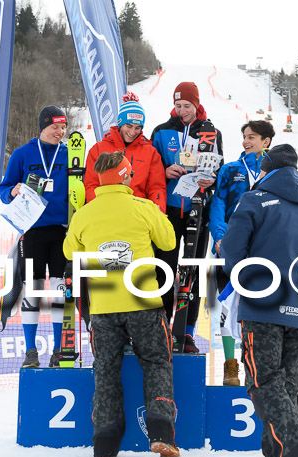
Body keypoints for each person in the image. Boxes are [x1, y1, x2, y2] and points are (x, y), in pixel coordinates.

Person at [221, 144, 298, 457]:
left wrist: (245, 281)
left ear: (266, 169)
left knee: (263, 383)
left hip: (261, 305)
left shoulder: (255, 200)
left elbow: (232, 248)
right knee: (284, 388)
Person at [63, 151, 178, 457]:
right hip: (144, 303)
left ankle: (105, 443)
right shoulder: (143, 207)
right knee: (156, 363)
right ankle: (161, 432)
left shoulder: (85, 213)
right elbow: (168, 242)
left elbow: (70, 250)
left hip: (102, 307)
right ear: (127, 176)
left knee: (106, 371)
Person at [150, 81, 223, 352]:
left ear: (197, 104)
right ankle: (161, 327)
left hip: (197, 210)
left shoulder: (211, 132)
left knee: (192, 271)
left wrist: (209, 181)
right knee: (164, 269)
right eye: (178, 105)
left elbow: (219, 170)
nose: (182, 111)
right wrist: (165, 171)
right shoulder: (162, 131)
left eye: (187, 106)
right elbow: (150, 166)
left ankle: (188, 332)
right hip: (168, 210)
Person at [0, 105, 69, 369]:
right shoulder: (23, 154)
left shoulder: (70, 153)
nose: (59, 132)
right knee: (33, 290)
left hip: (62, 233)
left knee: (60, 292)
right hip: (33, 232)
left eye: (63, 127)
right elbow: (3, 189)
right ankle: (31, 352)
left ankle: (59, 350)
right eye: (54, 127)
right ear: (43, 127)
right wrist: (13, 190)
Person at [209, 120, 275, 385]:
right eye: (245, 136)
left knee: (254, 308)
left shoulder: (277, 172)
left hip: (261, 251)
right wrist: (221, 237)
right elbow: (218, 204)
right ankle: (230, 366)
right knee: (226, 306)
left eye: (253, 137)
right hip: (231, 250)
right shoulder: (230, 169)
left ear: (266, 141)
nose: (246, 141)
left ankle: (251, 361)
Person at [83, 92, 167, 213]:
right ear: (120, 124)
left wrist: (157, 211)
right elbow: (91, 185)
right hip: (106, 212)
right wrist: (99, 210)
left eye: (138, 127)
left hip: (138, 214)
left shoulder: (150, 152)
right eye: (129, 126)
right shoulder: (99, 149)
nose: (133, 132)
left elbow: (156, 187)